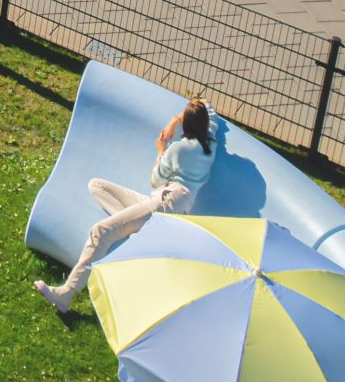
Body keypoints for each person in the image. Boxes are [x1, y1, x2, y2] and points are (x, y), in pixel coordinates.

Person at [34, 101, 217, 314]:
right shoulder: (210, 142)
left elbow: (155, 180)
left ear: (187, 124)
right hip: (170, 203)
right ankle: (136, 230)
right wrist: (175, 121)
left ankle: (67, 293)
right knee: (97, 186)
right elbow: (207, 107)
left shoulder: (178, 149)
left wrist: (161, 150)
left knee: (101, 231)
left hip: (167, 201)